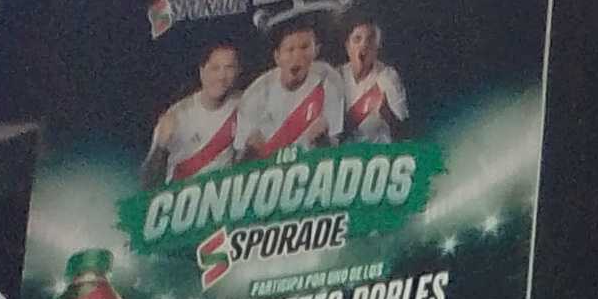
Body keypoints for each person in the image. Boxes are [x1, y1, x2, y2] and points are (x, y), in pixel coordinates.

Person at [235, 18, 343, 160]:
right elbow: (240, 161)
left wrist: (323, 139)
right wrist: (250, 150)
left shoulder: (329, 80)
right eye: (290, 50)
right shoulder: (255, 95)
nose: (297, 56)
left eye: (304, 47)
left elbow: (334, 149)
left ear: (316, 50)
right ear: (277, 57)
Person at [144, 38, 246, 185]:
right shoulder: (177, 116)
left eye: (229, 68)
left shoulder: (245, 103)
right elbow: (147, 181)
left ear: (238, 71)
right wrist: (161, 145)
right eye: (215, 68)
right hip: (183, 194)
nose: (222, 77)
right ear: (202, 71)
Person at [340, 18, 408, 141]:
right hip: (346, 151)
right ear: (348, 46)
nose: (364, 45)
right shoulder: (336, 77)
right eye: (357, 39)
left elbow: (404, 132)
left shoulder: (388, 77)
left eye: (370, 40)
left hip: (378, 150)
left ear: (378, 46)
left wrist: (387, 113)